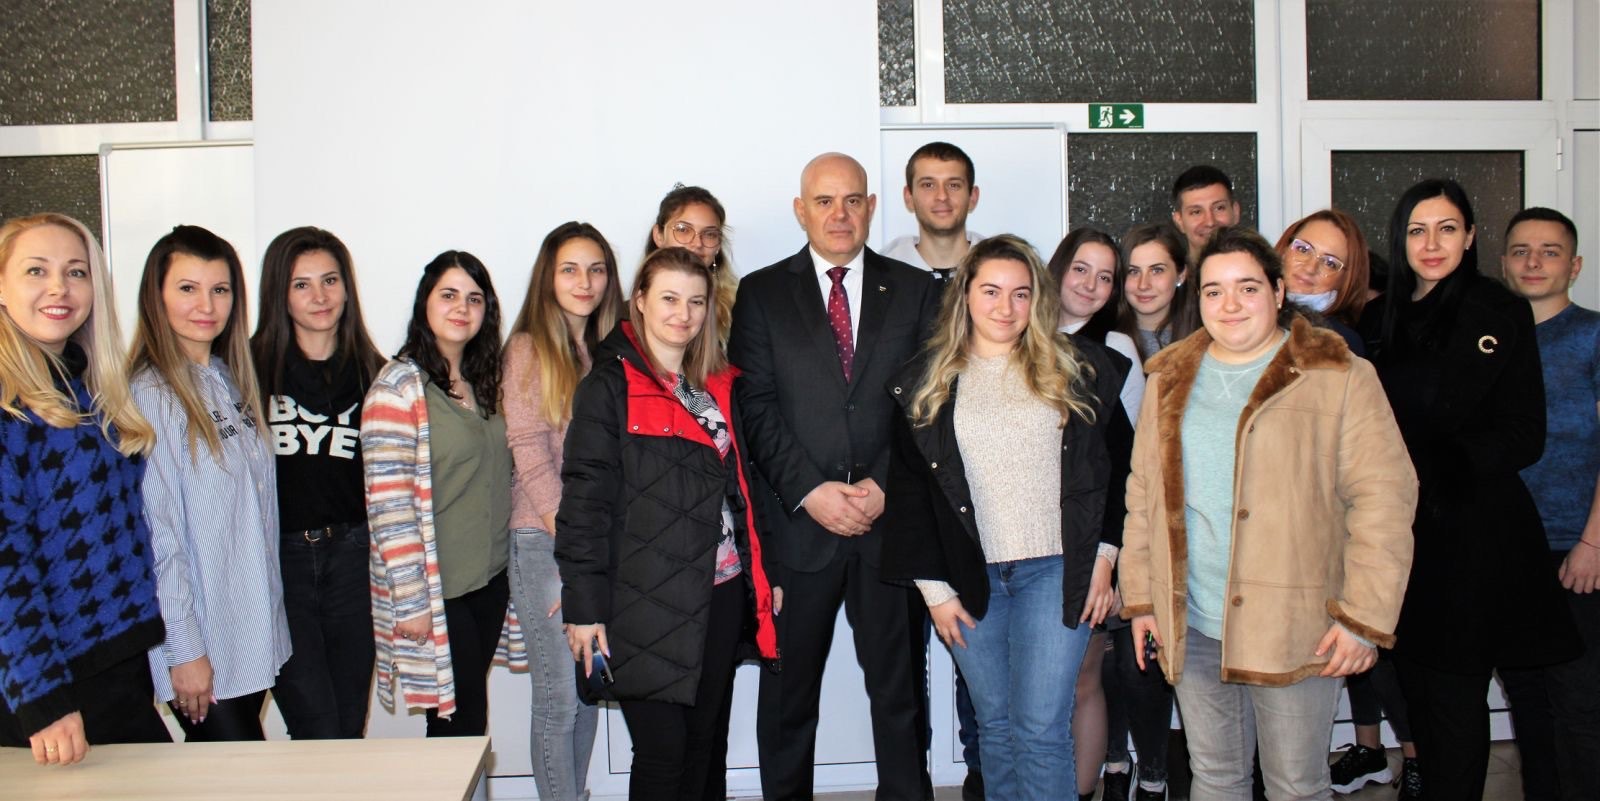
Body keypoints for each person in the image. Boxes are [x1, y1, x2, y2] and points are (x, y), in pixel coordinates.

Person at [1121, 226, 1417, 801]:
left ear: (1278, 292)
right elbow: (1143, 495)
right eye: (1213, 290)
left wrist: (1362, 619)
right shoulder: (1169, 377)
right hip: (1194, 620)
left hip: (1297, 625)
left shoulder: (1339, 374)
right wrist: (1142, 601)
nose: (1229, 304)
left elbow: (1385, 499)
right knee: (1215, 778)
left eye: (1248, 287)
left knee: (1295, 786)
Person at [1360, 179, 1582, 800]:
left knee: (1456, 696)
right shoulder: (1380, 317)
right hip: (1396, 533)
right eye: (1417, 230)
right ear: (1400, 240)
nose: (1432, 243)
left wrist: (1429, 464)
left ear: (1470, 237)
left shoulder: (1498, 310)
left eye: (1447, 228)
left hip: (1472, 534)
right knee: (1415, 691)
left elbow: (1524, 435)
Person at [731, 152, 939, 801]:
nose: (839, 214)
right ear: (802, 210)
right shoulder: (761, 294)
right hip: (798, 532)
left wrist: (884, 484)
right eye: (824, 201)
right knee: (788, 702)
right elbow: (754, 407)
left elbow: (929, 400)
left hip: (889, 530)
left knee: (900, 699)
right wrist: (810, 491)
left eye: (852, 200)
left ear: (872, 206)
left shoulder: (916, 291)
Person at [881, 233, 1119, 799]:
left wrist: (1106, 557)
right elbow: (912, 495)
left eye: (1020, 293)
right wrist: (935, 592)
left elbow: (1118, 469)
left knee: (1040, 731)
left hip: (1056, 571)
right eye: (991, 291)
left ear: (1037, 299)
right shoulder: (926, 381)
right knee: (995, 728)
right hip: (968, 577)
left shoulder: (1077, 369)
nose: (1005, 307)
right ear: (965, 294)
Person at [556, 246, 778, 800]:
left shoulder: (716, 385)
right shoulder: (608, 387)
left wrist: (763, 575)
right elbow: (584, 505)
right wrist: (584, 608)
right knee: (663, 756)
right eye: (670, 299)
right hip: (642, 600)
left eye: (696, 301)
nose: (683, 314)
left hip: (720, 592)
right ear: (640, 301)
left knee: (704, 745)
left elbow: (745, 492)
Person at [0, 213, 167, 765]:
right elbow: (5, 567)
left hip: (115, 663)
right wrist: (44, 699)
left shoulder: (88, 388)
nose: (59, 287)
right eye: (36, 271)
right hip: (45, 684)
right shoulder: (7, 405)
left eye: (76, 272)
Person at [129, 225, 289, 741]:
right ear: (156, 298)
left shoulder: (227, 377)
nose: (206, 305)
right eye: (187, 288)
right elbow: (158, 536)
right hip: (200, 642)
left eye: (219, 289)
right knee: (237, 772)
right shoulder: (151, 394)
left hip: (248, 631)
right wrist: (184, 649)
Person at [363, 250, 525, 737]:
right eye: (449, 295)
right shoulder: (397, 389)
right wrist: (411, 602)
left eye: (474, 298)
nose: (462, 308)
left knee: (468, 718)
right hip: (439, 591)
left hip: (489, 581)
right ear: (425, 303)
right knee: (458, 724)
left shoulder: (485, 381)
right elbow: (388, 506)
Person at [1047, 226, 1171, 801]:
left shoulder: (1117, 348)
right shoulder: (1016, 330)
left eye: (1105, 277)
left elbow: (1132, 461)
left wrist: (1113, 558)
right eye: (1080, 269)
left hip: (1092, 541)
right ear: (1057, 268)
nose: (1090, 285)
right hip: (1022, 542)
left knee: (1081, 680)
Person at [503, 222, 622, 799]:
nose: (585, 282)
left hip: (591, 546)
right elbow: (529, 455)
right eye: (570, 269)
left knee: (587, 688)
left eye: (596, 269)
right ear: (547, 278)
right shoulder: (528, 348)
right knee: (558, 700)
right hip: (544, 541)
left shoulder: (607, 352)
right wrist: (574, 549)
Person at [252, 227, 384, 740]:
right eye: (301, 284)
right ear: (279, 294)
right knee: (316, 727)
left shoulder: (376, 373)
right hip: (278, 564)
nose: (320, 296)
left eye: (330, 280)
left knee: (348, 725)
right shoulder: (248, 368)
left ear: (347, 287)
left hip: (353, 558)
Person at [1499, 206, 1600, 801]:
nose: (1533, 262)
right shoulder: (1494, 341)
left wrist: (1593, 542)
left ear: (1575, 266)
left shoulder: (1593, 336)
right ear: (1504, 263)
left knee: (1579, 703)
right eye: (1521, 251)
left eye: (1550, 251)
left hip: (1575, 551)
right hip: (1510, 550)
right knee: (1527, 700)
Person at [644, 185, 738, 346]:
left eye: (709, 234)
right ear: (659, 236)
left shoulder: (740, 308)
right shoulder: (627, 313)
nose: (697, 243)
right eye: (683, 229)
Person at [1272, 209, 1370, 355]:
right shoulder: (1247, 311)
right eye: (1303, 249)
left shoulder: (1341, 342)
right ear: (1285, 250)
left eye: (1330, 263)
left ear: (1344, 280)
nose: (1310, 268)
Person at [883, 141, 983, 280]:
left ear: (973, 197)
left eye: (954, 185)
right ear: (909, 197)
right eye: (928, 185)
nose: (942, 196)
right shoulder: (881, 272)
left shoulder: (1004, 265)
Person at [1118, 222, 1199, 363]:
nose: (1143, 285)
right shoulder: (1101, 340)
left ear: (1181, 275)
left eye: (1157, 270)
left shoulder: (1207, 339)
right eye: (1133, 271)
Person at [1170, 166, 1241, 266]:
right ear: (1179, 221)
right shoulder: (1169, 275)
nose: (1210, 222)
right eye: (1196, 212)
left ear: (1235, 212)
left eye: (1219, 208)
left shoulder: (1259, 273)